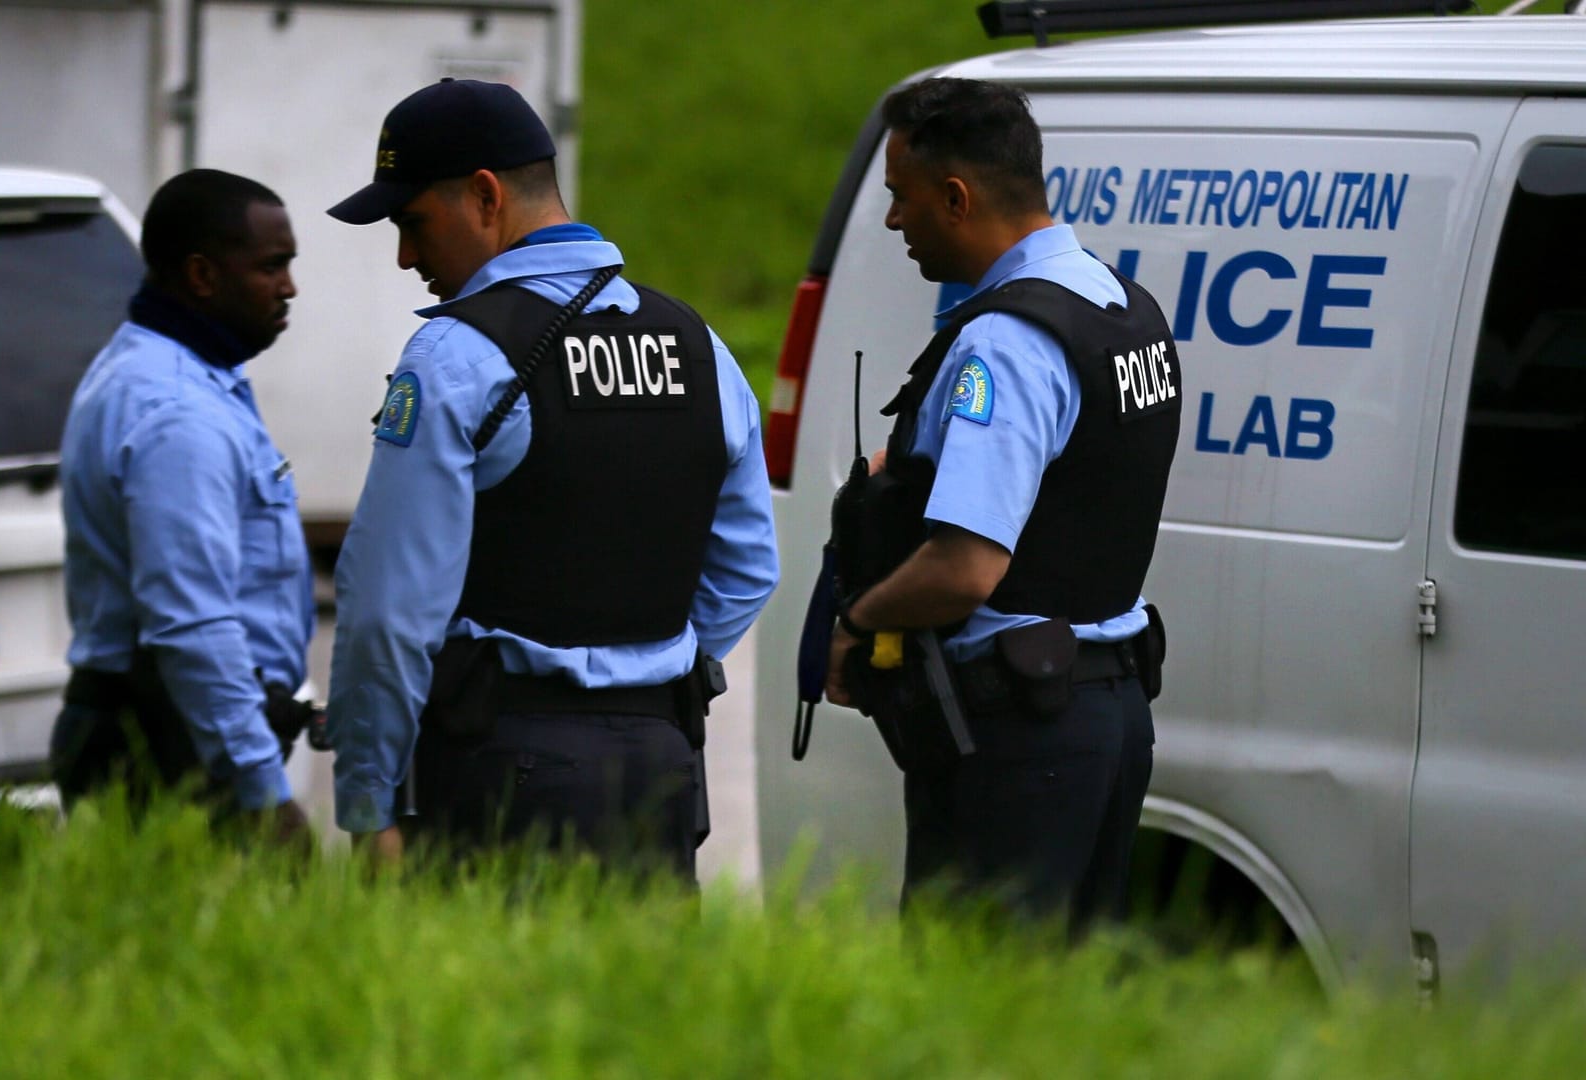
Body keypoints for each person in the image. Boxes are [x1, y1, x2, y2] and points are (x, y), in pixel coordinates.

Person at [324, 79, 778, 876]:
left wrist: (372, 803)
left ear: (485, 196)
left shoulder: (455, 357)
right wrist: (646, 679)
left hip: (505, 771)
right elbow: (746, 567)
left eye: (412, 222)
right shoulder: (697, 344)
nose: (405, 257)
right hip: (660, 767)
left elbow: (388, 611)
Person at [824, 77, 1180, 930]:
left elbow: (966, 567)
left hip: (1022, 734)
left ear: (956, 197)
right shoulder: (1125, 309)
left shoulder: (1007, 343)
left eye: (900, 199)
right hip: (1108, 710)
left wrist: (859, 621)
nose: (891, 221)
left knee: (969, 1016)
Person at [50, 168, 315, 849]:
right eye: (271, 266)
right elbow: (192, 625)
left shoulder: (174, 371)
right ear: (201, 275)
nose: (289, 287)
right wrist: (263, 795)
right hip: (168, 751)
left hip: (174, 735)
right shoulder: (176, 412)